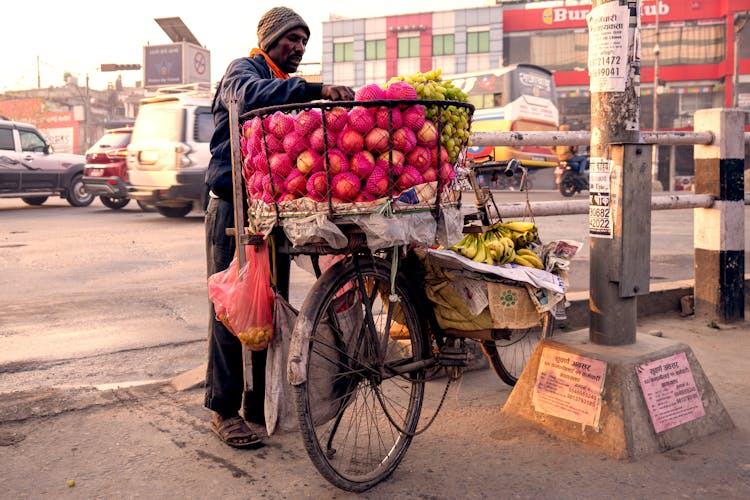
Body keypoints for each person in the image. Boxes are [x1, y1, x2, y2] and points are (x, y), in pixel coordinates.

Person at [204, 6, 355, 448]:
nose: (299, 47)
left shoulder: (284, 86)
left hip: (271, 209)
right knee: (232, 308)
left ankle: (257, 401)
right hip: (233, 208)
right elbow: (247, 96)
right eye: (291, 39)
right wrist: (314, 88)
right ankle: (224, 409)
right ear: (269, 39)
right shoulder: (244, 70)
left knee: (268, 307)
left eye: (304, 41)